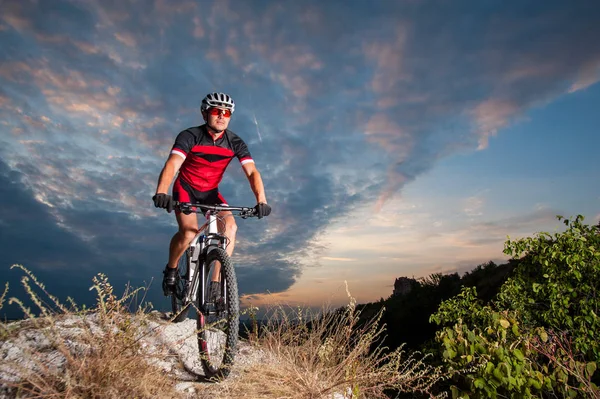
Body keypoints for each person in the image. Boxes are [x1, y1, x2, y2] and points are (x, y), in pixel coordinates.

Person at [152, 92, 271, 296]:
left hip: (210, 193)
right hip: (186, 189)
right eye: (216, 111)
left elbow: (252, 172)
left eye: (227, 113)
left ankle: (215, 284)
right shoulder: (189, 136)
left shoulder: (235, 142)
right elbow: (172, 164)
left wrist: (262, 201)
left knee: (231, 227)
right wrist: (161, 192)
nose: (222, 116)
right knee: (189, 233)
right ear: (205, 113)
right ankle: (171, 269)